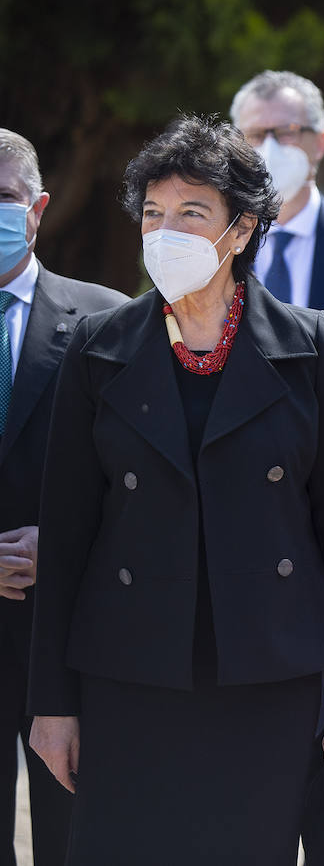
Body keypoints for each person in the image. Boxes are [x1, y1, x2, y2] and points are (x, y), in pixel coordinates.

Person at [26, 115, 324, 865]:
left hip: (270, 675)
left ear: (243, 228)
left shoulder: (308, 343)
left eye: (193, 212)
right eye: (154, 213)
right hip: (129, 675)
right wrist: (52, 704)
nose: (167, 232)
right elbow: (65, 540)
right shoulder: (99, 348)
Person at [0, 130, 126, 866]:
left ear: (38, 208)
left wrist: (69, 544)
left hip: (74, 635)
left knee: (77, 840)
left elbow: (148, 478)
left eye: (3, 199)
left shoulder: (110, 320)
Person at [230, 70, 324, 335]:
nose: (269, 149)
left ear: (321, 142)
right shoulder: (219, 243)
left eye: (287, 132)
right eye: (254, 135)